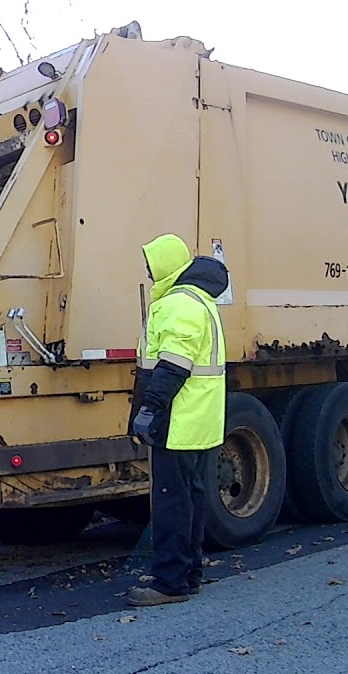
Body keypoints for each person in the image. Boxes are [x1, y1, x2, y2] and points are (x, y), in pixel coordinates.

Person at [127, 233, 228, 607]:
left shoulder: (178, 303)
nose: (150, 272)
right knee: (191, 499)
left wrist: (150, 409)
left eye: (152, 265)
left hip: (178, 421)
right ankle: (188, 574)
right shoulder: (199, 299)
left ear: (167, 265)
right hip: (198, 420)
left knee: (172, 502)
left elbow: (173, 365)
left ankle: (169, 583)